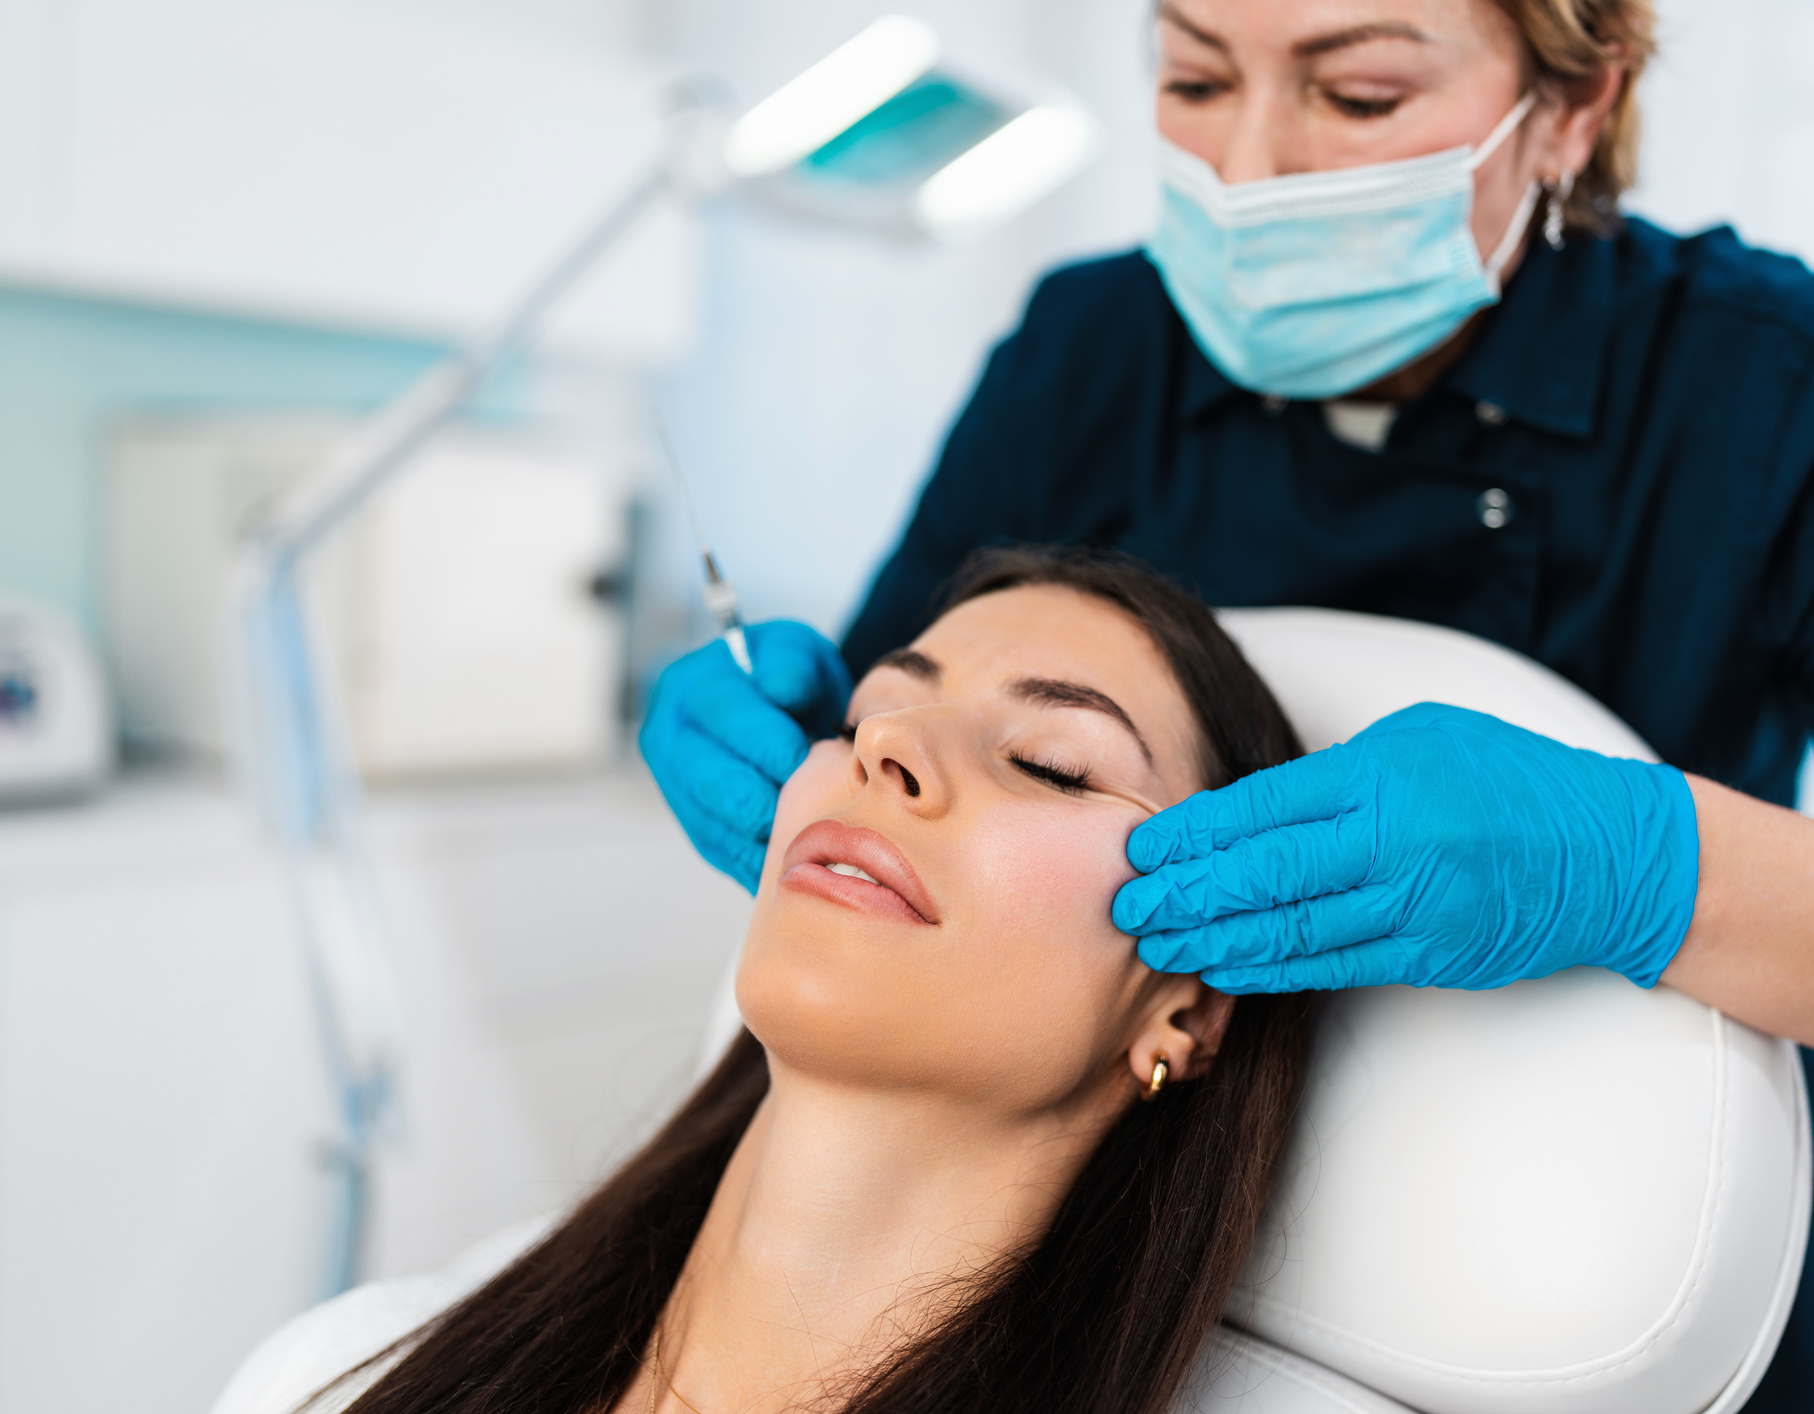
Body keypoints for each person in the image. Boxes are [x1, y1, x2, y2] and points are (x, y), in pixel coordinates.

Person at [637, 1, 1814, 1409]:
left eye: (1356, 94)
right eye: (1195, 76)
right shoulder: (1089, 354)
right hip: (1112, 1306)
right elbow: (913, 758)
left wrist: (1655, 871)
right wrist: (817, 734)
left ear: (1572, 100)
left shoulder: (1779, 391)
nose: (1247, 170)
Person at [213, 547, 1315, 1414]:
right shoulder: (332, 1376)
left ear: (1186, 1007)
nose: (884, 751)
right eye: (859, 715)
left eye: (1049, 762)